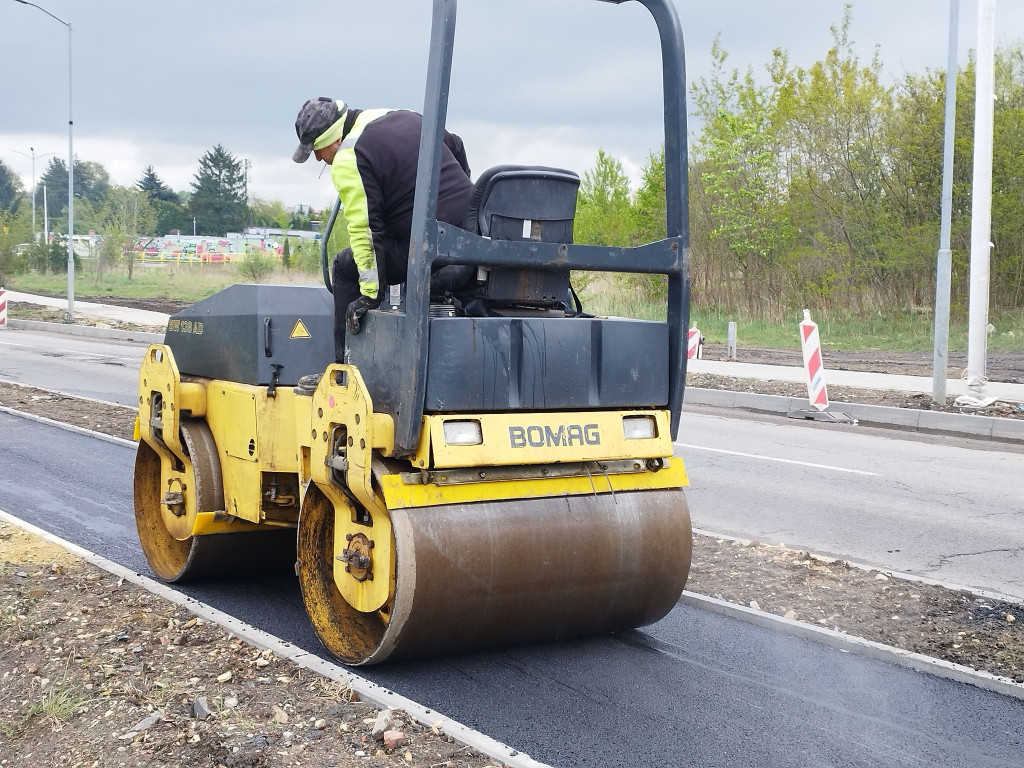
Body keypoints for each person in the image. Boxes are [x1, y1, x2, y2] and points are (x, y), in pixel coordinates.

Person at [292, 97, 474, 360]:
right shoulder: (402, 115)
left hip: (429, 244)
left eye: (317, 151)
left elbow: (365, 232)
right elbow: (455, 143)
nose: (319, 159)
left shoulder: (347, 157)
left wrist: (369, 297)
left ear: (332, 140)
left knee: (343, 267)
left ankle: (343, 372)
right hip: (469, 232)